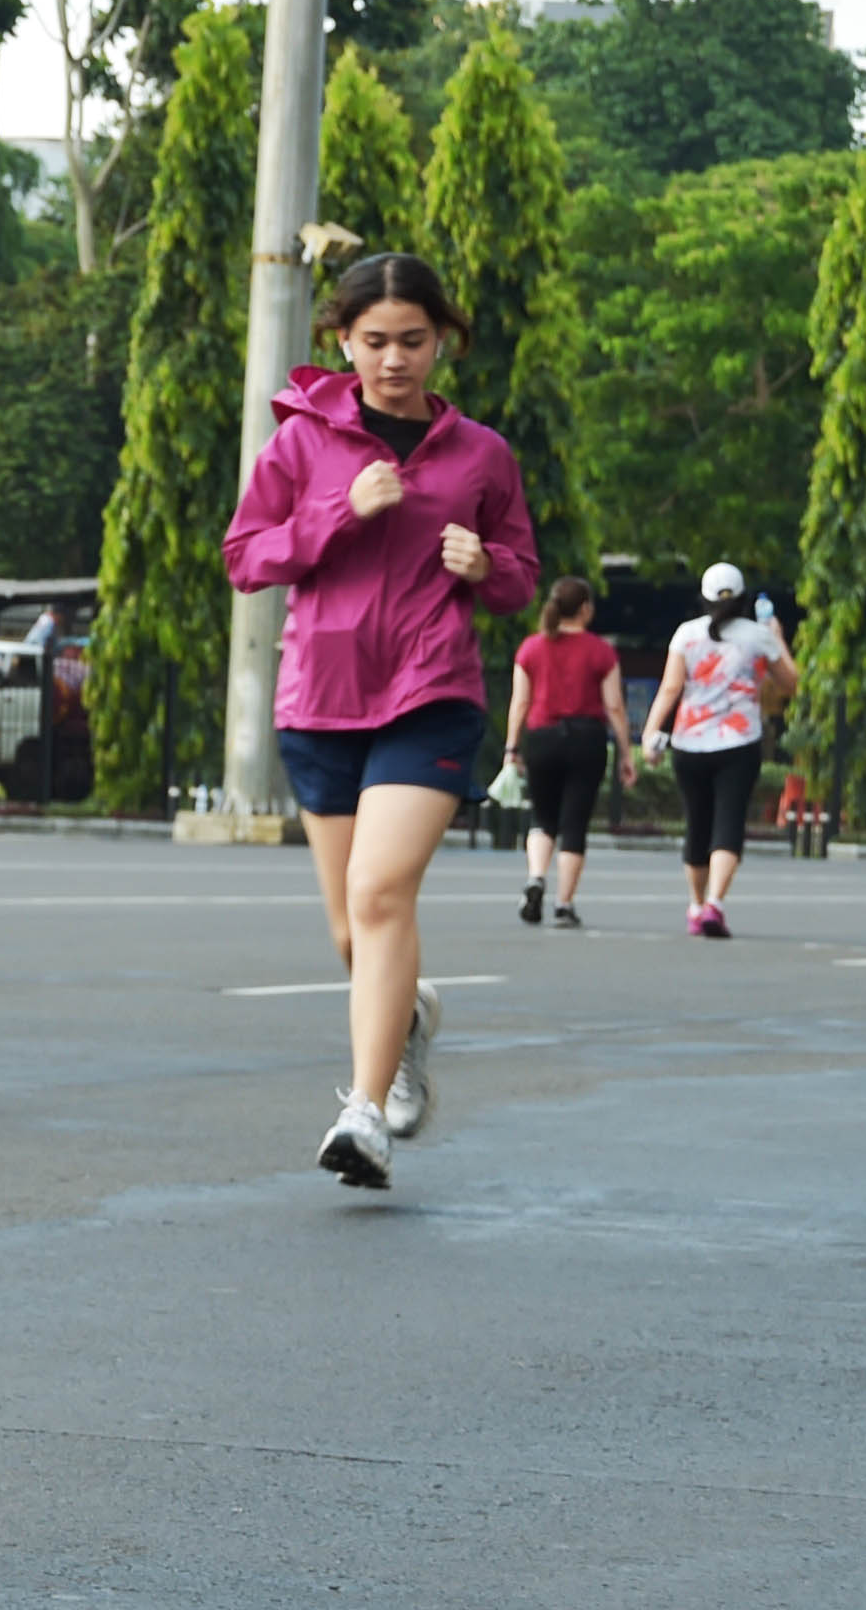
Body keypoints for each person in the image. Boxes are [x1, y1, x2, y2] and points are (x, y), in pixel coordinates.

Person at [225, 253, 538, 1190]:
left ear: (444, 340)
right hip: (321, 696)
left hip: (430, 689)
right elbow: (248, 557)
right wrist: (337, 511)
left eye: (413, 340)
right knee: (349, 932)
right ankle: (403, 1024)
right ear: (343, 342)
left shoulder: (481, 455)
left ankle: (363, 1114)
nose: (395, 360)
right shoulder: (302, 444)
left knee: (380, 894)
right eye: (375, 342)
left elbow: (521, 576)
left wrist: (486, 566)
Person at [641, 562, 797, 938]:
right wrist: (777, 636)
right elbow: (790, 683)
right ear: (742, 598)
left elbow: (669, 688)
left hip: (689, 743)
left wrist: (649, 732)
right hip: (739, 743)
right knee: (728, 822)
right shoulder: (758, 636)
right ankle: (715, 903)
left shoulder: (686, 634)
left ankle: (696, 906)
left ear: (704, 598)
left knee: (697, 824)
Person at [503, 576, 639, 928]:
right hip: (586, 739)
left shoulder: (531, 649)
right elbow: (614, 707)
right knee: (574, 823)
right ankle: (564, 904)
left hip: (542, 738)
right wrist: (626, 753)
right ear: (585, 609)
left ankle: (536, 877)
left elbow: (519, 703)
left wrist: (511, 747)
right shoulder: (601, 652)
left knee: (542, 818)